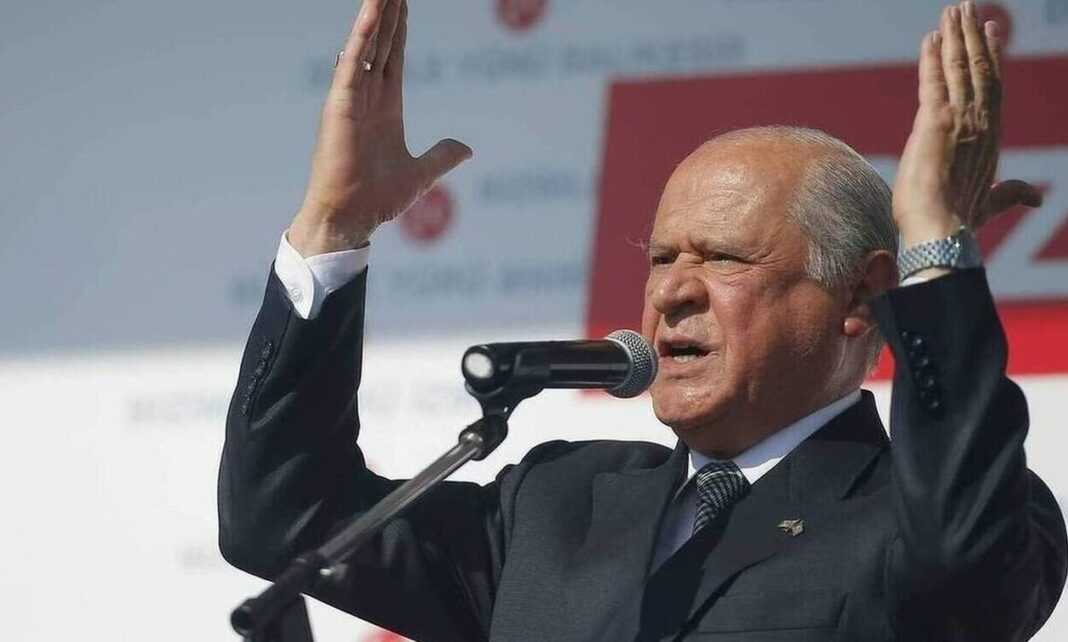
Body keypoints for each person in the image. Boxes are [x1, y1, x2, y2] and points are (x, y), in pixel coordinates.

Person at [218, 1, 1067, 639]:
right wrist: (334, 229)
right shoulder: (556, 504)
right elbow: (287, 519)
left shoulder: (930, 518)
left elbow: (965, 563)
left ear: (856, 299)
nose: (672, 293)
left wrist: (933, 253)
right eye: (662, 258)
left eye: (723, 258)